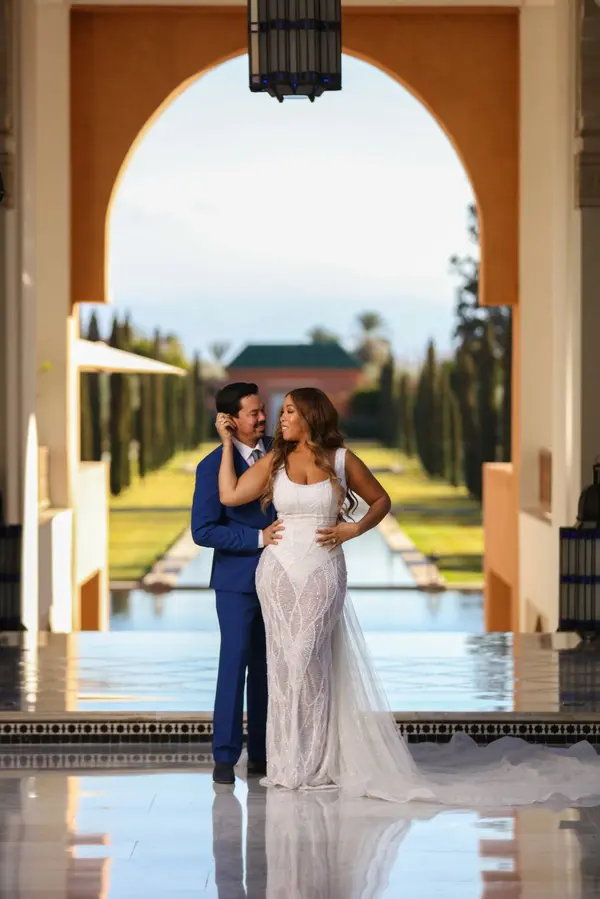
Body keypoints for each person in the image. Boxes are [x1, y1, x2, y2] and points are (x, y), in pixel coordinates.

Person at [215, 386, 600, 808]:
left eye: (288, 411)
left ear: (309, 416)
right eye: (281, 410)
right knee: (283, 664)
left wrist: (352, 529)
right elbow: (230, 495)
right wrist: (225, 445)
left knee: (309, 660)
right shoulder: (276, 459)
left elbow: (381, 500)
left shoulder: (342, 460)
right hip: (277, 573)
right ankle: (286, 766)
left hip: (322, 571)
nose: (279, 417)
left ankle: (315, 763)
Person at [191, 383, 284, 785]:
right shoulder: (212, 465)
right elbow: (203, 530)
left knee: (269, 668)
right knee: (235, 664)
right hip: (237, 583)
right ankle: (225, 758)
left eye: (263, 411)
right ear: (230, 420)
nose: (263, 419)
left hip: (283, 578)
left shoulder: (284, 453)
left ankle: (263, 754)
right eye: (253, 413)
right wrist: (255, 539)